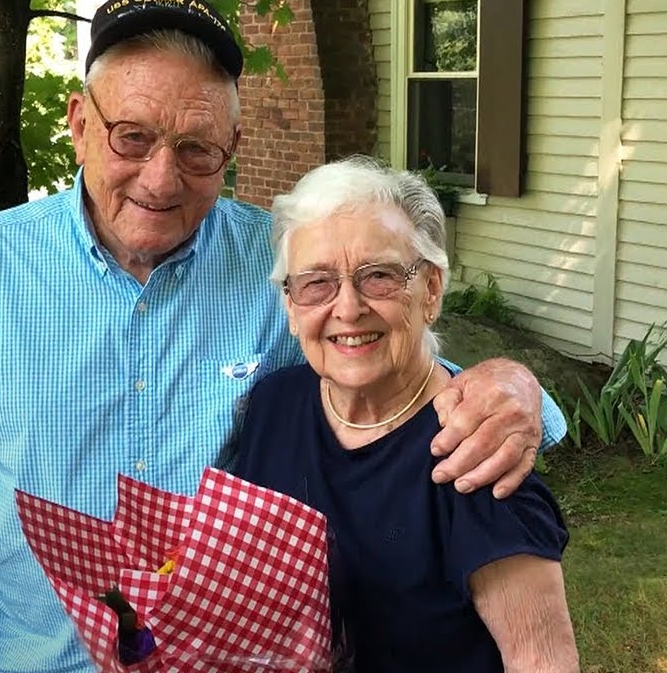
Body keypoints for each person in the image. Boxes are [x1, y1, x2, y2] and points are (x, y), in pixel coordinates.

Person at [0, 0, 567, 673]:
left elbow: (392, 364)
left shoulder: (285, 267)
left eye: (197, 149)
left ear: (232, 146)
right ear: (78, 124)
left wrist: (513, 385)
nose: (161, 179)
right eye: (131, 137)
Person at [232, 157, 579, 673]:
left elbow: (541, 660)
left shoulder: (476, 452)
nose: (347, 308)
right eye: (316, 283)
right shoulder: (272, 408)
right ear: (289, 305)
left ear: (431, 290)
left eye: (379, 277)